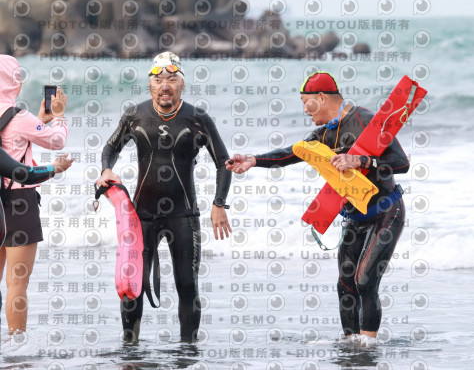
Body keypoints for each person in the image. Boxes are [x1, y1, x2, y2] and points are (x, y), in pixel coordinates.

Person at [226, 72, 408, 347]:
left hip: (386, 212)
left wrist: (361, 161)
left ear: (322, 98)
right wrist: (253, 160)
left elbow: (401, 162)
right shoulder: (323, 134)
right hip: (355, 216)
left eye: (305, 102)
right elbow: (290, 154)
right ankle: (351, 345)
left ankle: (368, 347)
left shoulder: (366, 120)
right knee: (345, 285)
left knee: (364, 280)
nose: (304, 110)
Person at [97, 51, 232, 343]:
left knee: (187, 286)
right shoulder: (135, 115)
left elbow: (224, 162)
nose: (165, 86)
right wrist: (106, 170)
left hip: (183, 215)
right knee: (132, 286)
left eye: (172, 79)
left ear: (182, 84)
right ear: (150, 86)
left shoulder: (197, 118)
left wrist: (219, 204)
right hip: (142, 216)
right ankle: (130, 349)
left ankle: (188, 351)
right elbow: (110, 148)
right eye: (158, 81)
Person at [0, 54, 72, 335]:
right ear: (15, 82)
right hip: (18, 204)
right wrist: (59, 116)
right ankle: (16, 346)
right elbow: (57, 141)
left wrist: (40, 122)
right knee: (17, 283)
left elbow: (14, 145)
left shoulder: (22, 120)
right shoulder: (19, 116)